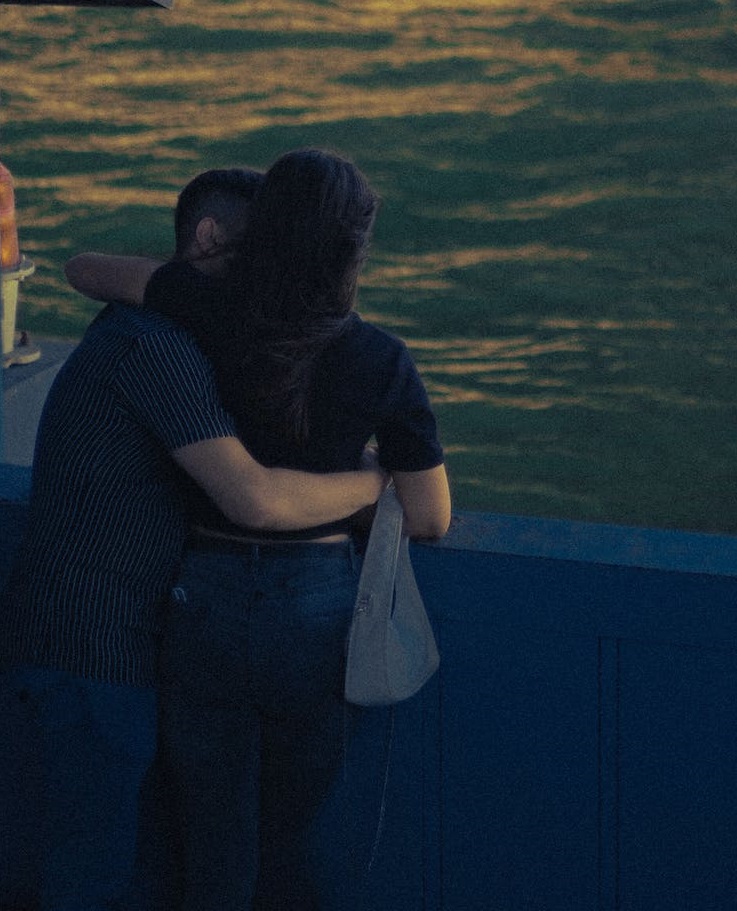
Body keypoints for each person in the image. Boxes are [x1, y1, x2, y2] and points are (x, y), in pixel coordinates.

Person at [69, 148, 451, 908]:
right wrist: (369, 478)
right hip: (315, 606)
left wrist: (202, 269)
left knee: (208, 832)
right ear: (353, 250)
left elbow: (83, 269)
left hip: (202, 592)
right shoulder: (381, 358)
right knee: (296, 836)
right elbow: (431, 517)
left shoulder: (204, 307)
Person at [0, 168, 389, 911]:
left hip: (92, 642)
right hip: (91, 649)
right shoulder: (156, 348)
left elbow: (90, 268)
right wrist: (375, 487)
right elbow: (254, 498)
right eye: (260, 253)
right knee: (94, 876)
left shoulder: (154, 328)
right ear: (210, 240)